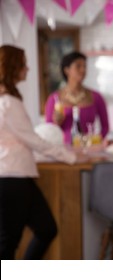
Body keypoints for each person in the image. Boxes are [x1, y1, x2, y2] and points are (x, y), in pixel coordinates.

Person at [0, 45, 78, 259]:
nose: (27, 68)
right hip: (11, 178)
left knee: (46, 229)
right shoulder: (9, 103)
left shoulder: (8, 101)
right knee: (8, 244)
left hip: (18, 177)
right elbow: (34, 140)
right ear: (13, 68)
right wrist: (70, 156)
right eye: (23, 64)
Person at [45, 51, 109, 145]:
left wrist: (96, 142)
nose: (83, 70)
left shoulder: (96, 97)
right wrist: (56, 123)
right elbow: (49, 131)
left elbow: (105, 127)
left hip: (89, 150)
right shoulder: (54, 99)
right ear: (67, 70)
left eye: (84, 66)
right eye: (78, 66)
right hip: (63, 151)